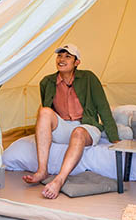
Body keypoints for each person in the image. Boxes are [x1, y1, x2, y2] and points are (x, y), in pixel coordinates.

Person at [22, 43, 119, 199]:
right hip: (63, 127)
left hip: (85, 126)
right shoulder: (47, 81)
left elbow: (103, 108)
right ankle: (42, 171)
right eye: (59, 56)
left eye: (67, 56)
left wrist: (114, 138)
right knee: (44, 111)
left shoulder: (88, 78)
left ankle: (59, 180)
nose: (62, 59)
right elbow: (47, 111)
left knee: (78, 132)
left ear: (77, 62)